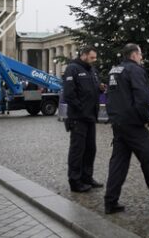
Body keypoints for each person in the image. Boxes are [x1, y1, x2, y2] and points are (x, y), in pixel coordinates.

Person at [104, 43, 149, 214]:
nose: (142, 57)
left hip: (118, 123)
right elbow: (142, 96)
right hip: (133, 124)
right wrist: (144, 118)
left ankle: (110, 201)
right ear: (133, 55)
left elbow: (110, 96)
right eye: (140, 54)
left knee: (118, 163)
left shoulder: (114, 70)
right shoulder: (135, 70)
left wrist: (115, 117)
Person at [63, 46, 104, 193]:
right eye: (92, 57)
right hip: (78, 118)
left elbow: (92, 88)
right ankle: (75, 181)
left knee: (90, 149)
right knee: (77, 150)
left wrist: (100, 88)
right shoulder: (72, 69)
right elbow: (69, 93)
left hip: (91, 117)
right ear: (84, 55)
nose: (94, 60)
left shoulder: (91, 70)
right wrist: (80, 108)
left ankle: (87, 177)